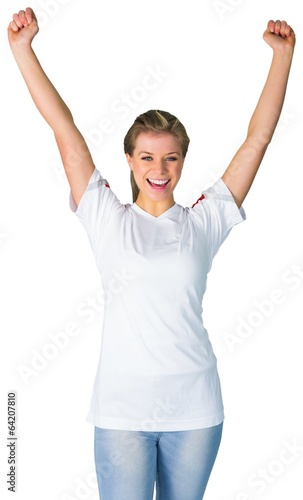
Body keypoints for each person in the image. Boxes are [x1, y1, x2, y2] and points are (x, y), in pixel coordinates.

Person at [8, 8, 295, 500]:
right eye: (146, 156)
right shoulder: (104, 214)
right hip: (121, 414)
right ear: (129, 160)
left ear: (183, 161)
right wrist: (22, 50)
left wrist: (284, 59)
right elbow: (64, 128)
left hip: (196, 412)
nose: (158, 169)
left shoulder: (205, 219)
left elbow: (259, 139)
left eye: (170, 157)